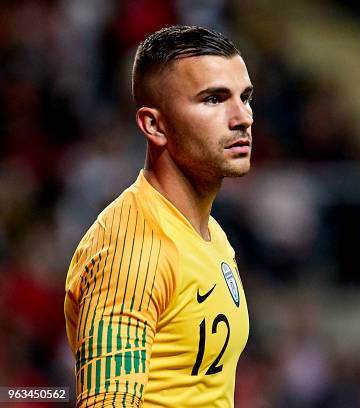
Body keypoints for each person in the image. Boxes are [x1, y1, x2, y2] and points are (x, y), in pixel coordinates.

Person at [64, 25, 254, 407]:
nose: (242, 118)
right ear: (155, 125)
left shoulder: (210, 233)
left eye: (245, 97)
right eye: (214, 99)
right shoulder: (133, 249)